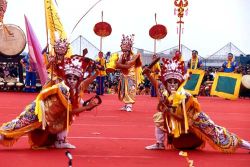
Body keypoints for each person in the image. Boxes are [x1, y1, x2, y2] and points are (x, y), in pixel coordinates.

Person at [143, 55, 250, 153]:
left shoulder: (185, 96)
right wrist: (148, 73)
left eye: (175, 82)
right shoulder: (164, 90)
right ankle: (159, 143)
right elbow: (156, 83)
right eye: (169, 81)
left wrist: (167, 110)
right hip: (179, 123)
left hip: (195, 120)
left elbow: (181, 114)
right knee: (160, 117)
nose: (172, 84)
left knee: (219, 135)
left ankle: (246, 145)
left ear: (179, 82)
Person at [0, 55, 100, 149]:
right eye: (70, 78)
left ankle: (60, 141)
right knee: (20, 126)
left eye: (75, 79)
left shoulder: (74, 89)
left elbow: (84, 84)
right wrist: (87, 107)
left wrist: (96, 74)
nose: (72, 81)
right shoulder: (63, 88)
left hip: (53, 116)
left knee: (66, 118)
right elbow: (70, 111)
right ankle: (1, 134)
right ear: (65, 78)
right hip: (40, 112)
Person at [115, 34, 143, 112]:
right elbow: (117, 66)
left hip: (131, 76)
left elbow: (127, 66)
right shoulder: (122, 56)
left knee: (130, 90)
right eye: (124, 51)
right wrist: (117, 64)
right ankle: (125, 104)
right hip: (123, 75)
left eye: (126, 51)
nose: (125, 52)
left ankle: (129, 105)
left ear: (130, 49)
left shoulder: (134, 56)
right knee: (124, 90)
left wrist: (118, 64)